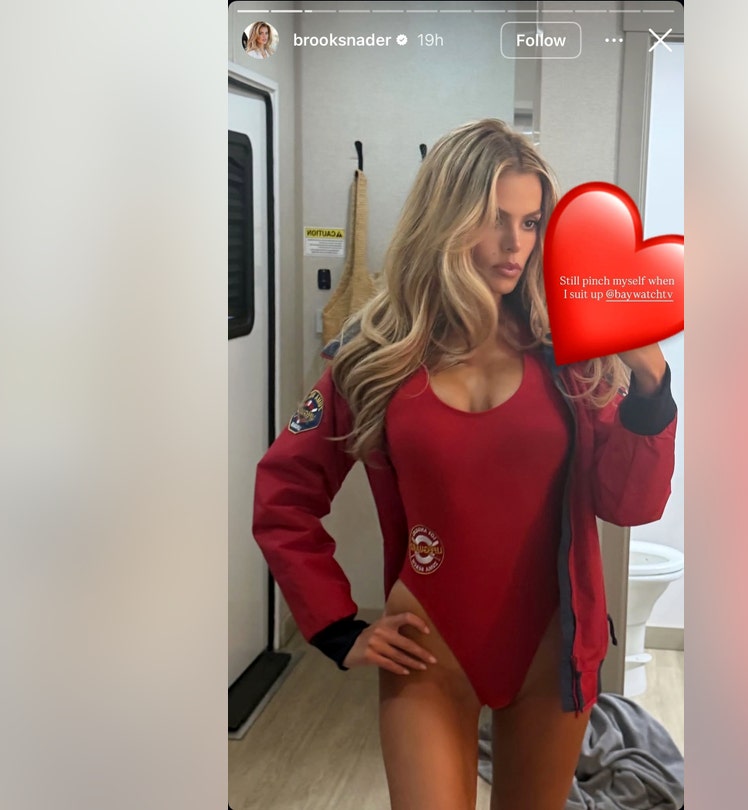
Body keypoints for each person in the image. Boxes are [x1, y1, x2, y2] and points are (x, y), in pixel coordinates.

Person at [252, 119, 677, 810]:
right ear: (445, 219)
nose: (515, 245)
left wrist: (652, 387)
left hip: (552, 649)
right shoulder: (375, 354)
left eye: (531, 223)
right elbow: (284, 493)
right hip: (427, 648)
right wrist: (335, 626)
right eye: (493, 220)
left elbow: (629, 504)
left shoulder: (569, 352)